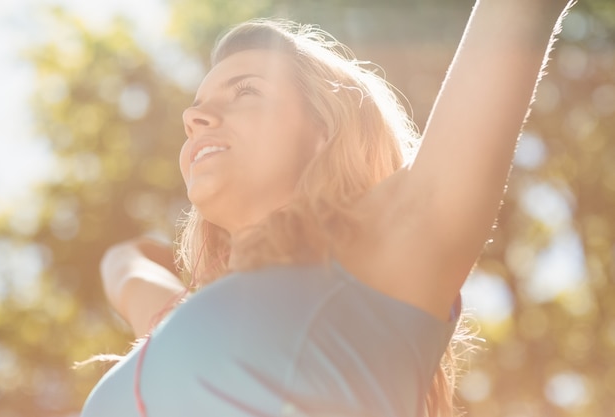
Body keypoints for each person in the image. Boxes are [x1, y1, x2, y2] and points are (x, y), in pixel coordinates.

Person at [81, 1, 575, 416]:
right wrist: (124, 255)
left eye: (246, 90)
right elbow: (127, 279)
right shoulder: (181, 324)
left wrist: (126, 260)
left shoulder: (386, 253)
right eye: (197, 107)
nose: (194, 116)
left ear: (325, 131)